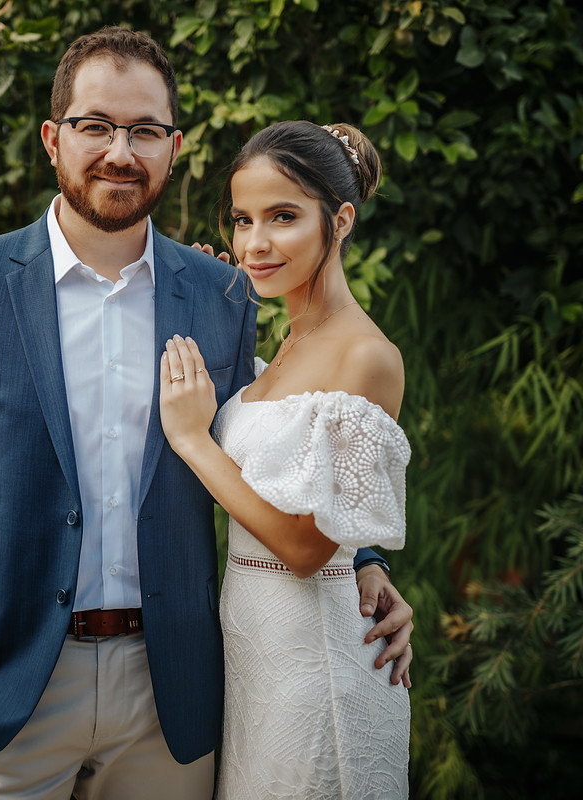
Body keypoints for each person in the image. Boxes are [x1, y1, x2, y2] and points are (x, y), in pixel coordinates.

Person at [0, 27, 413, 799]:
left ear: (173, 147)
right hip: (2, 680)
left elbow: (273, 445)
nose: (120, 150)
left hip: (174, 689)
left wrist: (363, 562)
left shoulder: (223, 296)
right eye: (95, 126)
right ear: (53, 139)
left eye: (144, 130)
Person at [158, 119, 411, 798]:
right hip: (253, 659)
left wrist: (193, 441)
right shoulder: (282, 352)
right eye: (243, 220)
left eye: (284, 217)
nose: (255, 243)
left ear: (341, 219)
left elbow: (304, 546)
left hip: (316, 668)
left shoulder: (366, 357)